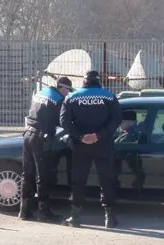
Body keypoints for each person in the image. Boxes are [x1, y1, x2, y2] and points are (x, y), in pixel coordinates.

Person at [59, 70, 122, 228]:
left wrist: (80, 136)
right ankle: (109, 218)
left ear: (84, 81)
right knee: (106, 179)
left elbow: (64, 122)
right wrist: (98, 136)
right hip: (103, 144)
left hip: (81, 146)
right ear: (99, 81)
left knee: (78, 180)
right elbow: (116, 120)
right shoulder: (109, 96)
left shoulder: (71, 97)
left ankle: (75, 216)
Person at [20, 77, 74, 223]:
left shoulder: (41, 92)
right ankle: (44, 212)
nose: (68, 94)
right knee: (42, 175)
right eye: (68, 91)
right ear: (63, 88)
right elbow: (63, 122)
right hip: (40, 138)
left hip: (27, 135)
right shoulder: (58, 100)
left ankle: (24, 210)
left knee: (27, 173)